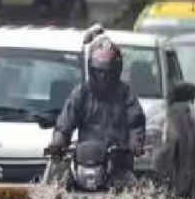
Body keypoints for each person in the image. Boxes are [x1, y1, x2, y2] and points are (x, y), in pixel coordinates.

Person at [46, 36, 147, 182]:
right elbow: (66, 120)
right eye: (98, 71)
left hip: (118, 163)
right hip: (84, 162)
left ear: (116, 71)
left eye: (107, 72)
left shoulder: (125, 94)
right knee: (58, 183)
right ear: (91, 69)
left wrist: (135, 142)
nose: (103, 76)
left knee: (131, 191)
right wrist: (58, 141)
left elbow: (136, 122)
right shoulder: (81, 93)